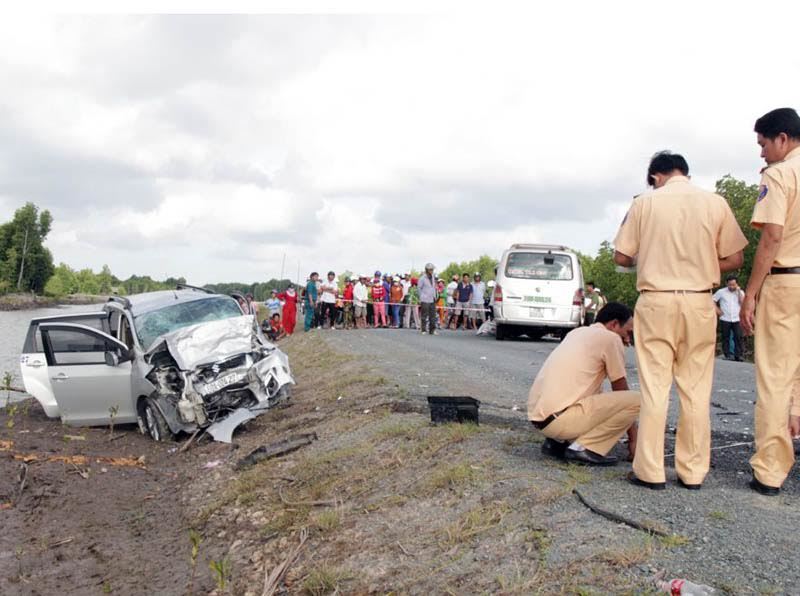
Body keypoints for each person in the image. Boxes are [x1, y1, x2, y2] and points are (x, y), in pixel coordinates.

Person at [614, 150, 747, 490]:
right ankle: (692, 471)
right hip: (700, 301)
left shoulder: (644, 203)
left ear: (656, 177)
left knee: (656, 388)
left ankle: (650, 470)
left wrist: (650, 259)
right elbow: (735, 257)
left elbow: (621, 255)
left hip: (656, 301)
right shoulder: (715, 203)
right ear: (684, 172)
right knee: (696, 390)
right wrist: (700, 266)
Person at [740, 107, 800, 496]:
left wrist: (751, 292)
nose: (762, 153)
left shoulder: (780, 175)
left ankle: (771, 471)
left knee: (776, 376)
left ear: (782, 138)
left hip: (787, 283)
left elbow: (772, 237)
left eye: (763, 144)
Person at [528, 302, 640, 466]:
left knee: (596, 395)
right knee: (637, 400)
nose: (628, 339)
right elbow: (620, 388)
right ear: (614, 324)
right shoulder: (611, 338)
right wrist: (634, 440)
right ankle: (585, 448)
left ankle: (557, 443)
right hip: (560, 421)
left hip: (541, 420)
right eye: (628, 332)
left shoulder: (577, 332)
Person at [713, 275, 745, 361]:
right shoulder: (721, 292)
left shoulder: (740, 292)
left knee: (738, 336)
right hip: (725, 318)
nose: (732, 287)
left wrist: (738, 292)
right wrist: (717, 310)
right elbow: (712, 300)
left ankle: (739, 355)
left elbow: (742, 303)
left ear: (737, 284)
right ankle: (727, 354)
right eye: (730, 285)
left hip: (737, 318)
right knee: (725, 337)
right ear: (726, 284)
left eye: (733, 285)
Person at [418, 263, 438, 335]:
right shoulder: (422, 278)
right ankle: (423, 330)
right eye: (431, 269)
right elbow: (419, 289)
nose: (432, 271)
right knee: (424, 315)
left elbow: (433, 287)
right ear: (427, 270)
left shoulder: (433, 277)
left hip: (432, 298)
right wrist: (421, 298)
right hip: (425, 299)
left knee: (433, 315)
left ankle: (432, 330)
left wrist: (435, 296)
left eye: (432, 269)